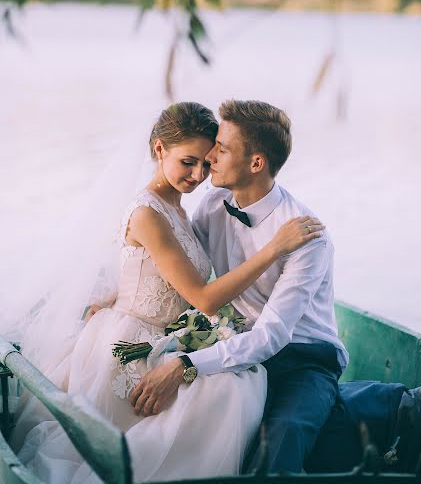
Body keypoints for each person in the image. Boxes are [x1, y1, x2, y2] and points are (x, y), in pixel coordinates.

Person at [12, 101, 324, 483]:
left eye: (213, 156)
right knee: (229, 393)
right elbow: (192, 288)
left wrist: (188, 355)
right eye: (191, 161)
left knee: (252, 403)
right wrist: (272, 249)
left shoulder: (299, 235)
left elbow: (179, 269)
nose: (202, 169)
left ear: (255, 163)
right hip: (138, 338)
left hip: (294, 350)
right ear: (160, 150)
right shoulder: (199, 206)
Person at [131, 99, 349, 475]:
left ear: (256, 163)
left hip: (302, 357)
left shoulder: (306, 236)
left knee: (282, 440)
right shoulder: (214, 205)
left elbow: (272, 335)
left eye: (222, 148)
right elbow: (177, 263)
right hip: (234, 337)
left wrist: (186, 364)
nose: (209, 157)